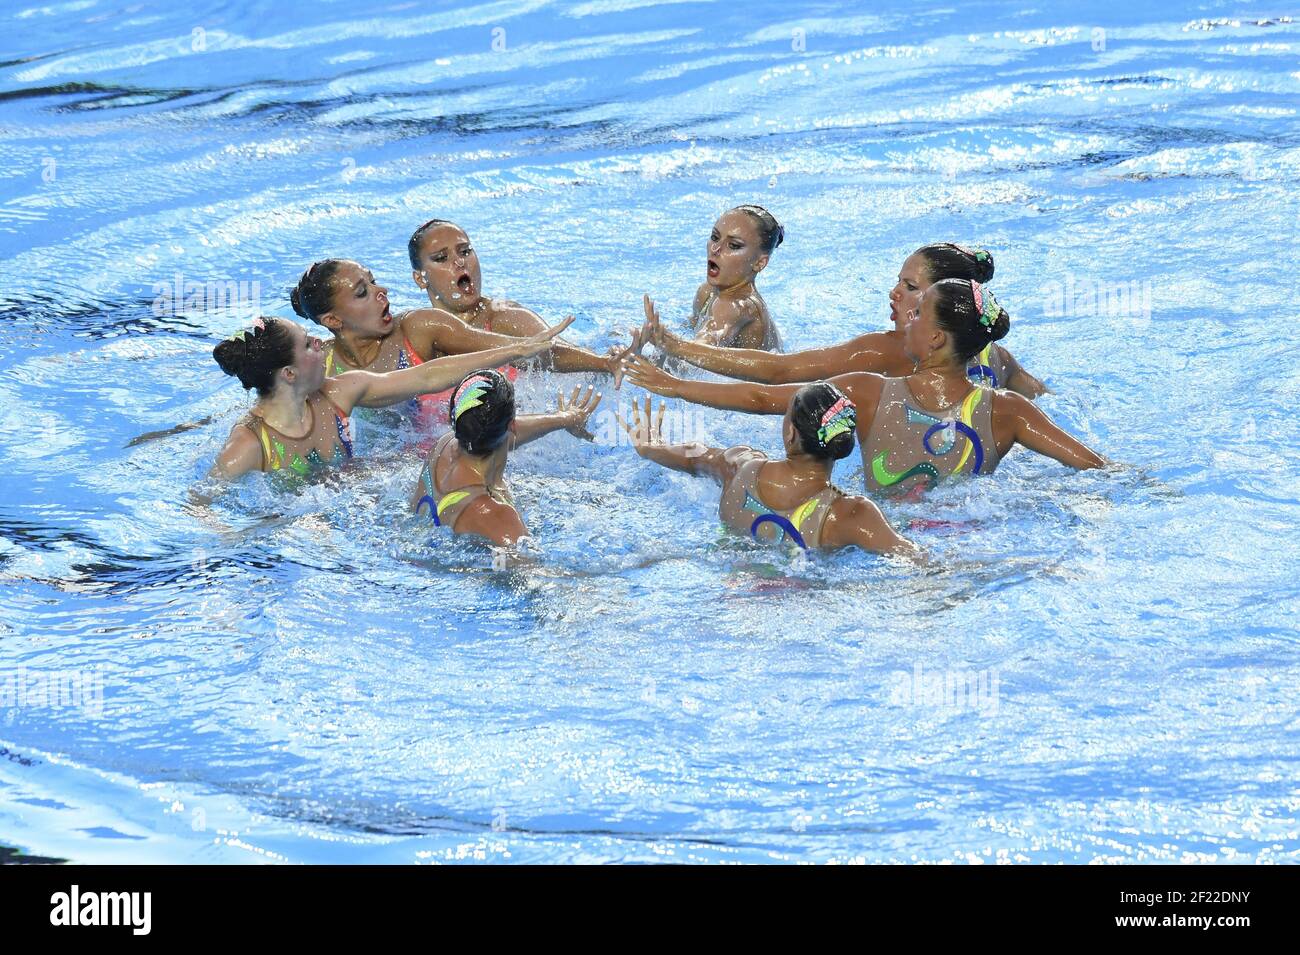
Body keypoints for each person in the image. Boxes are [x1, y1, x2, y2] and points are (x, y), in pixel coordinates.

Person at [624, 280, 1104, 496]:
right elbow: (1096, 469)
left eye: (918, 314)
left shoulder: (869, 392)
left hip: (880, 539)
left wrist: (673, 385)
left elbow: (764, 398)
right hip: (968, 537)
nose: (906, 319)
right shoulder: (1010, 410)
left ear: (935, 338)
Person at [637, 242, 1047, 398]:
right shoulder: (997, 356)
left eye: (909, 286)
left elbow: (781, 373)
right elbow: (1043, 399)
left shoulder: (885, 352)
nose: (895, 293)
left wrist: (677, 347)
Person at [206, 315, 571, 485]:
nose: (320, 343)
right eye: (308, 344)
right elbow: (200, 505)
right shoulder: (250, 445)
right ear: (288, 373)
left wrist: (515, 349)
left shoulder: (338, 393)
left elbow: (426, 376)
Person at [291, 257, 624, 422]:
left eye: (374, 282)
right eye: (363, 292)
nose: (382, 292)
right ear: (332, 321)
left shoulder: (420, 327)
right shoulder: (323, 366)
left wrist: (605, 363)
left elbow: (521, 352)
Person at [618, 388, 921, 558]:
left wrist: (650, 447)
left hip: (727, 590)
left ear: (790, 433)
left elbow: (696, 455)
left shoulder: (739, 468)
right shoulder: (848, 514)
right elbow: (913, 560)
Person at [407, 219, 628, 373]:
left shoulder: (504, 317)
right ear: (420, 278)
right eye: (441, 258)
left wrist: (604, 362)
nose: (459, 261)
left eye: (465, 251)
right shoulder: (414, 333)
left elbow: (554, 351)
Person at [411, 370, 602, 546]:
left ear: (452, 420)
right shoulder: (498, 516)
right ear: (512, 425)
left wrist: (565, 419)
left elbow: (498, 431)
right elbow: (532, 576)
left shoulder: (442, 446)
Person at [642, 205, 784, 352]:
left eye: (733, 245)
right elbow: (690, 334)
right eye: (715, 237)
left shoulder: (736, 305)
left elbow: (699, 351)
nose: (715, 249)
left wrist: (665, 344)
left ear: (759, 263)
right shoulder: (707, 293)